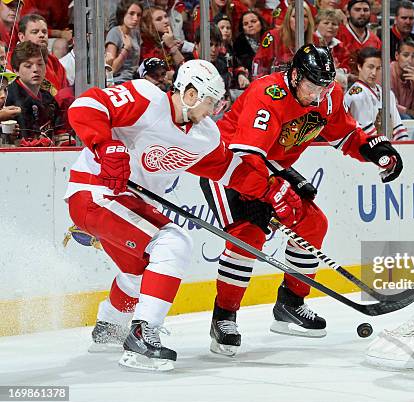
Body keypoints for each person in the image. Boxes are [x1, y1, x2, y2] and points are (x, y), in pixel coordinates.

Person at [64, 59, 282, 371]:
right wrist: (107, 146)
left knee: (141, 273)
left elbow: (229, 169)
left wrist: (270, 193)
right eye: (209, 102)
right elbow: (86, 105)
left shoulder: (204, 135)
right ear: (191, 93)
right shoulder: (146, 98)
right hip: (95, 192)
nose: (213, 111)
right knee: (174, 243)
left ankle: (110, 327)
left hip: (128, 203)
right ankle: (143, 334)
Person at [199, 44, 403, 357]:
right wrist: (264, 193)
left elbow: (345, 134)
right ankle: (224, 318)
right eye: (311, 87)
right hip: (229, 166)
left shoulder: (328, 95)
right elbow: (247, 156)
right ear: (295, 76)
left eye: (324, 88)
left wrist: (375, 152)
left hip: (270, 166)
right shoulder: (267, 95)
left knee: (312, 223)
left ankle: (290, 304)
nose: (317, 97)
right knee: (248, 235)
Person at [6, 41, 65, 146]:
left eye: (40, 64)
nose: (36, 69)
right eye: (28, 66)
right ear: (15, 70)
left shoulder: (49, 98)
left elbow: (60, 133)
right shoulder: (7, 97)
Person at [345, 47, 409, 140]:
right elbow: (367, 135)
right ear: (359, 66)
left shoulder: (387, 94)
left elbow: (398, 128)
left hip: (383, 146)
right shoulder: (356, 95)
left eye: (378, 68)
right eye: (370, 67)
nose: (374, 73)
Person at [252, 1, 315, 78]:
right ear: (288, 19)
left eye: (305, 16)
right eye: (295, 16)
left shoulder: (315, 40)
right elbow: (258, 65)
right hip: (275, 85)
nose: (300, 20)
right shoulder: (272, 36)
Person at [336, 0, 381, 74]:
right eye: (357, 10)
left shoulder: (375, 41)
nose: (362, 13)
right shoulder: (338, 35)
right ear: (347, 13)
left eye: (366, 10)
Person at [105, 0, 143, 85]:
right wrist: (126, 49)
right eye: (131, 14)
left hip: (135, 79)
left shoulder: (136, 33)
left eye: (138, 15)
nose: (135, 18)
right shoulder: (115, 33)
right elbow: (111, 69)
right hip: (119, 81)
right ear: (123, 14)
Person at [390, 38, 414, 119]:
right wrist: (411, 112)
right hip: (389, 116)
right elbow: (390, 105)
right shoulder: (387, 72)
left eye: (413, 56)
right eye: (405, 55)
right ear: (397, 55)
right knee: (406, 117)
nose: (410, 60)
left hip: (407, 116)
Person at [233, 9, 268, 81]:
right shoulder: (238, 45)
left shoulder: (270, 38)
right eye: (246, 24)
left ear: (261, 23)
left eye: (253, 21)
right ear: (242, 28)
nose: (250, 25)